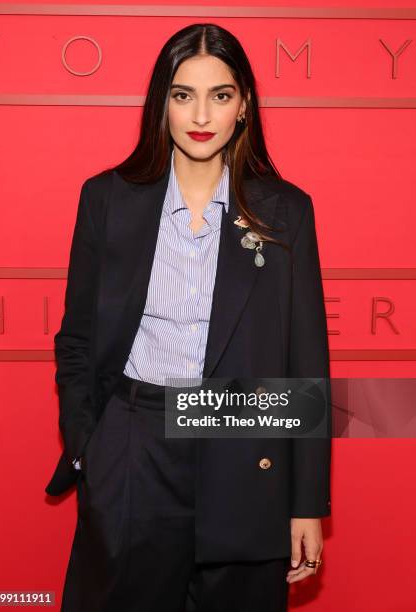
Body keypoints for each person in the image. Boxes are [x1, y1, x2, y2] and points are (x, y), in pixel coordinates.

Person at [45, 22, 332, 612]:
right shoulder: (107, 198)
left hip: (242, 432)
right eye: (183, 95)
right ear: (162, 105)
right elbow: (76, 337)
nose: (201, 113)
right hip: (135, 439)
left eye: (220, 95)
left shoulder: (286, 211)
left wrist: (306, 503)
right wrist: (89, 447)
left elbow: (305, 361)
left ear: (243, 106)